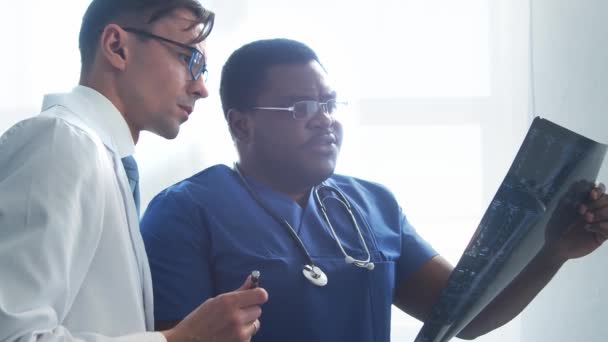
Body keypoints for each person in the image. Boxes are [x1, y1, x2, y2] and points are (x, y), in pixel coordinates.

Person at [139, 38, 608, 341]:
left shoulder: (373, 205)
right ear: (241, 123)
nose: (325, 119)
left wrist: (553, 253)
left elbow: (465, 317)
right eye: (303, 106)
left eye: (329, 102)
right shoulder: (184, 212)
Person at [0, 1, 267, 342]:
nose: (201, 88)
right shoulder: (61, 143)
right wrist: (177, 340)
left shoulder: (106, 160)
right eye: (190, 59)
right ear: (116, 47)